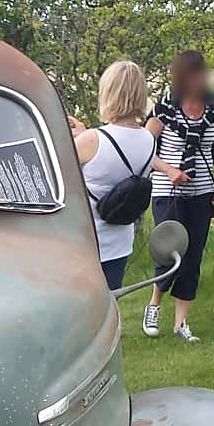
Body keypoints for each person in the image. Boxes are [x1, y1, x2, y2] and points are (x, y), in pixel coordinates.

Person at [145, 50, 214, 342]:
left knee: (193, 256)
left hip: (200, 193)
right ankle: (154, 304)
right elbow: (144, 147)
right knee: (171, 251)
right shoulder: (165, 108)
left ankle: (180, 323)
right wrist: (169, 170)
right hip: (167, 190)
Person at [70, 60, 156, 292]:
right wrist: (86, 133)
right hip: (120, 242)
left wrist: (81, 135)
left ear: (108, 93)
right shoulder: (149, 140)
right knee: (110, 306)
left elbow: (54, 169)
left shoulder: (92, 140)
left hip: (85, 244)